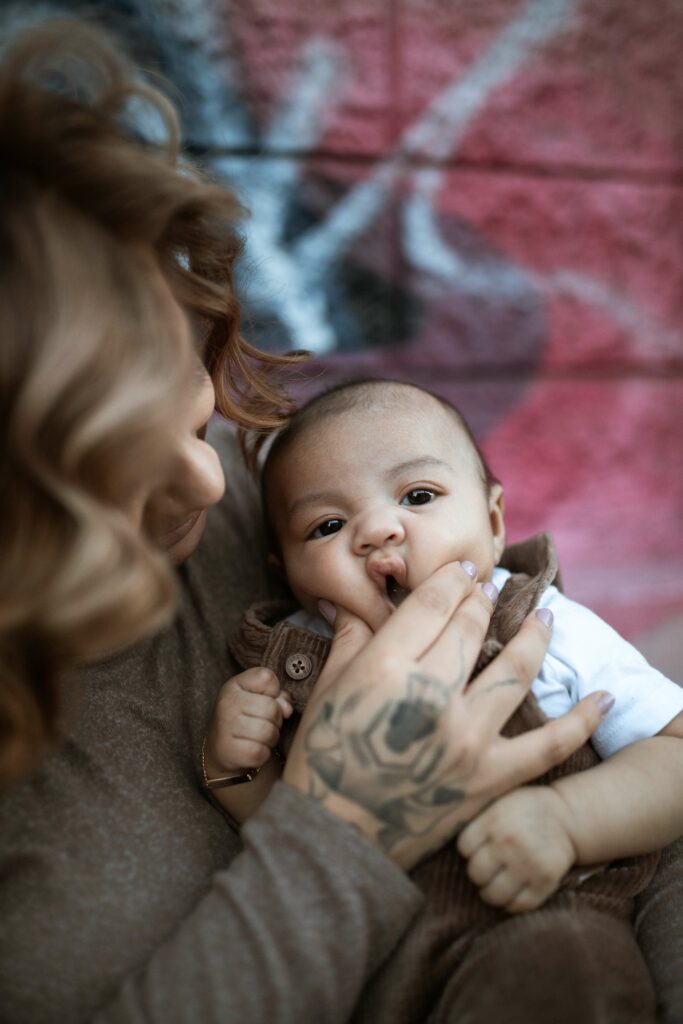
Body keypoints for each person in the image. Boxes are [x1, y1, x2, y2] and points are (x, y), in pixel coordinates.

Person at [0, 19, 631, 1024]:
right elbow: (276, 815)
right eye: (110, 466)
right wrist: (338, 820)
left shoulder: (270, 517)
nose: (210, 487)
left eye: (191, 394)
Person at [207, 378, 683, 1022]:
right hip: (369, 966)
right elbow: (298, 843)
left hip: (536, 936)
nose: (377, 530)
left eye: (419, 495)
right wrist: (241, 772)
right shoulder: (291, 666)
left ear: (492, 524)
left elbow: (673, 749)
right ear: (284, 570)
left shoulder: (542, 623)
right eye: (326, 525)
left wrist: (569, 820)